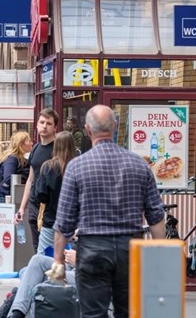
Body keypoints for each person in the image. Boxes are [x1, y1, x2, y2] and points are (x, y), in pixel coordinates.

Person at [51, 105, 166, 318]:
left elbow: (64, 221)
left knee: (93, 314)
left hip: (92, 250)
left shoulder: (77, 167)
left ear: (87, 130)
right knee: (129, 312)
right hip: (131, 249)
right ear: (115, 127)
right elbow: (156, 216)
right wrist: (160, 254)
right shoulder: (140, 165)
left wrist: (58, 260)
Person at [16, 108, 58, 252]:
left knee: (48, 248)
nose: (45, 126)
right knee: (36, 246)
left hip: (51, 206)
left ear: (55, 128)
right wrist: (22, 207)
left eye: (49, 123)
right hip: (34, 204)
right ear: (37, 125)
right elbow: (30, 180)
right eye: (42, 122)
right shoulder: (35, 149)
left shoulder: (58, 149)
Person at [34, 131, 76, 254]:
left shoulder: (48, 167)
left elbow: (41, 195)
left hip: (51, 221)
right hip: (73, 224)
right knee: (69, 261)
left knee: (42, 259)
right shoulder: (78, 167)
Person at [8, 250, 78, 318]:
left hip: (84, 274)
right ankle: (17, 312)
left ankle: (16, 314)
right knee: (36, 261)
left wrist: (78, 260)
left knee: (41, 276)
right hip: (73, 267)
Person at [0, 131, 32, 200]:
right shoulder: (12, 159)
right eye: (29, 141)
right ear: (21, 144)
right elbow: (8, 178)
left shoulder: (21, 159)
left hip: (12, 196)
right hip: (5, 198)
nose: (31, 143)